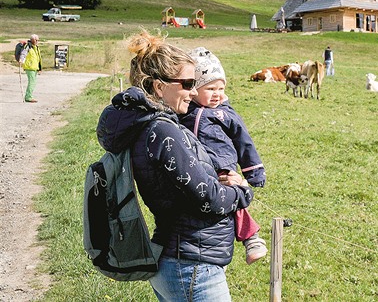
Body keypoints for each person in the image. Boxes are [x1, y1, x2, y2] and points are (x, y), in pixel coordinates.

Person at [96, 30, 253, 302]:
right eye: (188, 83)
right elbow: (209, 200)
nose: (194, 92)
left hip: (181, 258)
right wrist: (242, 192)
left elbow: (188, 185)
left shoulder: (153, 126)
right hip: (191, 264)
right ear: (159, 87)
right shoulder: (163, 132)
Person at [180, 47, 268, 265]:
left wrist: (254, 172)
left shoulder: (225, 113)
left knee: (232, 197)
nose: (217, 94)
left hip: (222, 165)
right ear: (195, 88)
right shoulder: (184, 110)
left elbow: (243, 141)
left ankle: (251, 238)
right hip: (197, 164)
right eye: (210, 88)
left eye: (221, 88)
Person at [18, 34, 42, 103]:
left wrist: (39, 68)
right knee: (31, 82)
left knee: (33, 82)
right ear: (32, 40)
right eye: (36, 40)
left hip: (34, 67)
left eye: (38, 40)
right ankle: (28, 97)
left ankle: (29, 96)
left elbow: (38, 58)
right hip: (29, 67)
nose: (37, 41)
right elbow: (23, 53)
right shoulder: (28, 46)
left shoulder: (35, 47)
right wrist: (21, 60)